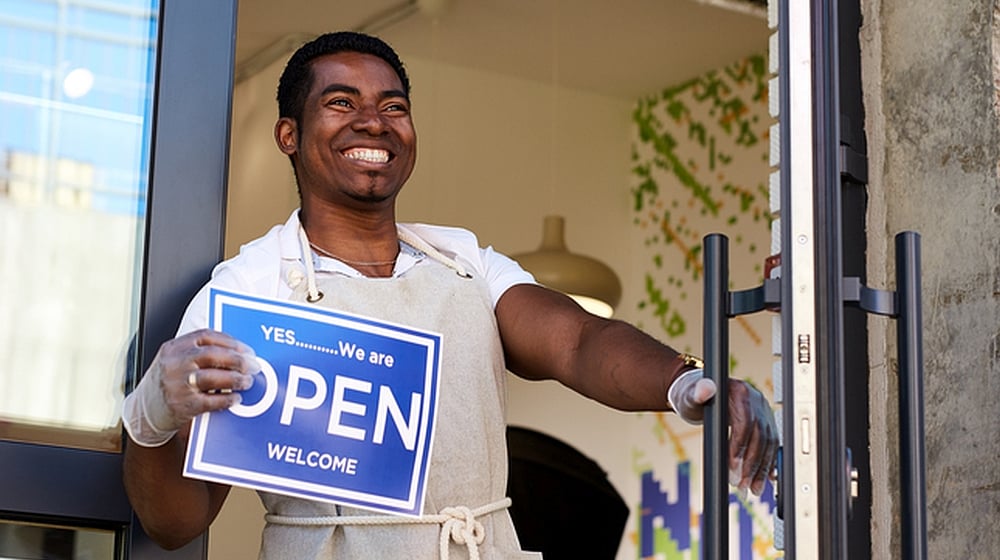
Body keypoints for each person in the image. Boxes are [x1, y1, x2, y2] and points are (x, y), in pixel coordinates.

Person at [121, 31, 777, 559]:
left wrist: (682, 381)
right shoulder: (250, 290)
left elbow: (579, 341)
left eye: (393, 107)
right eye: (342, 103)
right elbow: (177, 523)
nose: (373, 122)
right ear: (288, 134)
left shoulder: (465, 265)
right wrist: (154, 415)